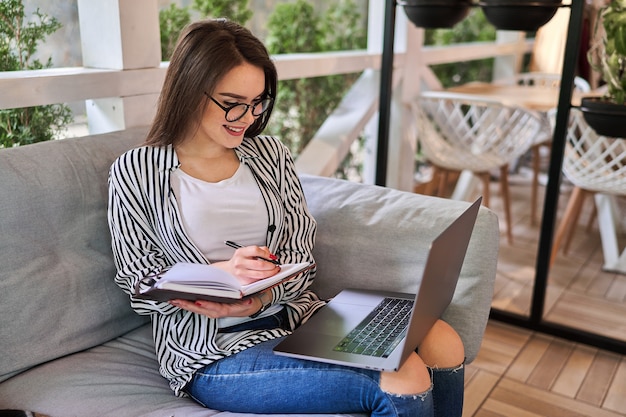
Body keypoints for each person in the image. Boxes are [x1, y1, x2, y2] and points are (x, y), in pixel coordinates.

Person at [107, 18, 465, 417]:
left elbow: (299, 257)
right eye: (232, 102)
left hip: (299, 319)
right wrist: (224, 275)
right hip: (213, 352)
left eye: (257, 102)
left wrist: (258, 297)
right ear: (191, 89)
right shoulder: (136, 170)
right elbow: (138, 284)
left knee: (442, 338)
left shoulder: (270, 155)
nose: (246, 116)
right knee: (402, 377)